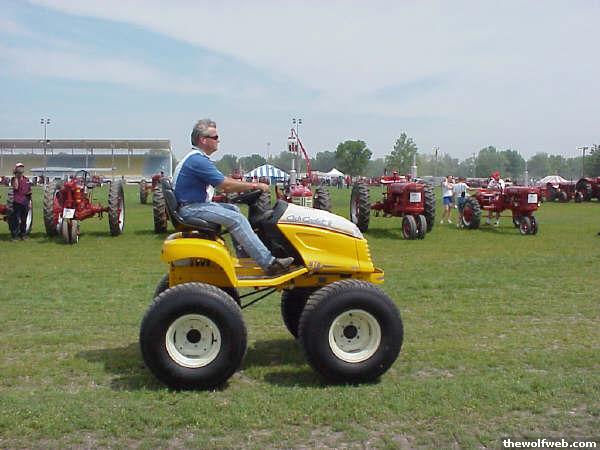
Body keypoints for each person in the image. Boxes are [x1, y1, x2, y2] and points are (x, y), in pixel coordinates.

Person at [173, 119, 294, 275]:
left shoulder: (195, 158)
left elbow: (224, 182)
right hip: (191, 209)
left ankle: (244, 258)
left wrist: (247, 187)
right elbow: (225, 185)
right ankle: (269, 263)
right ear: (203, 140)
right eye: (215, 137)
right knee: (237, 219)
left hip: (191, 206)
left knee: (233, 210)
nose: (218, 140)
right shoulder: (197, 160)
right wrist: (255, 186)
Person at [9, 163, 32, 241]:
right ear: (16, 169)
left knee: (24, 219)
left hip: (25, 202)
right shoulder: (14, 179)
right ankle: (15, 236)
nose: (21, 169)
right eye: (19, 167)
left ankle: (23, 235)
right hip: (17, 202)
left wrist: (29, 202)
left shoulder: (26, 180)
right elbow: (16, 187)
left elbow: (29, 192)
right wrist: (16, 176)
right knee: (15, 219)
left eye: (22, 167)